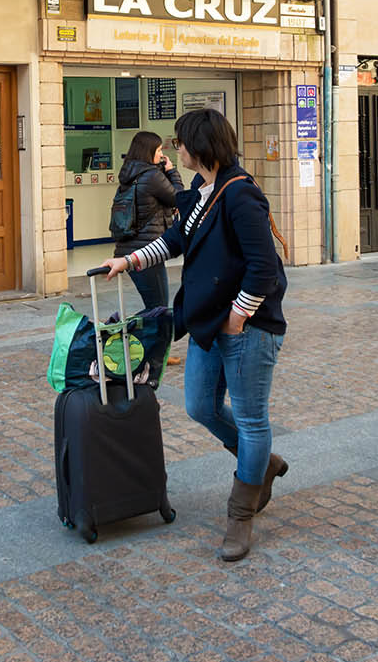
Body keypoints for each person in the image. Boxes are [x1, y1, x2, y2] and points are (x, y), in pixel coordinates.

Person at [99, 108, 288, 562]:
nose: (175, 149)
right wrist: (128, 262)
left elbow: (264, 267)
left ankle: (240, 515)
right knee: (200, 405)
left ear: (199, 146)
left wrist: (239, 316)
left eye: (180, 143)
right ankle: (262, 463)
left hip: (247, 327)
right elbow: (173, 242)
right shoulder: (200, 193)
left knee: (249, 417)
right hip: (207, 321)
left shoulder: (240, 195)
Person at [111, 131, 184, 311]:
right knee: (158, 309)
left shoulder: (130, 173)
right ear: (148, 151)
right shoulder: (152, 176)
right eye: (158, 150)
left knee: (155, 307)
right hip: (146, 250)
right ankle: (127, 335)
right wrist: (171, 171)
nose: (161, 154)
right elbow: (178, 198)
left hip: (129, 247)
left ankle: (132, 335)